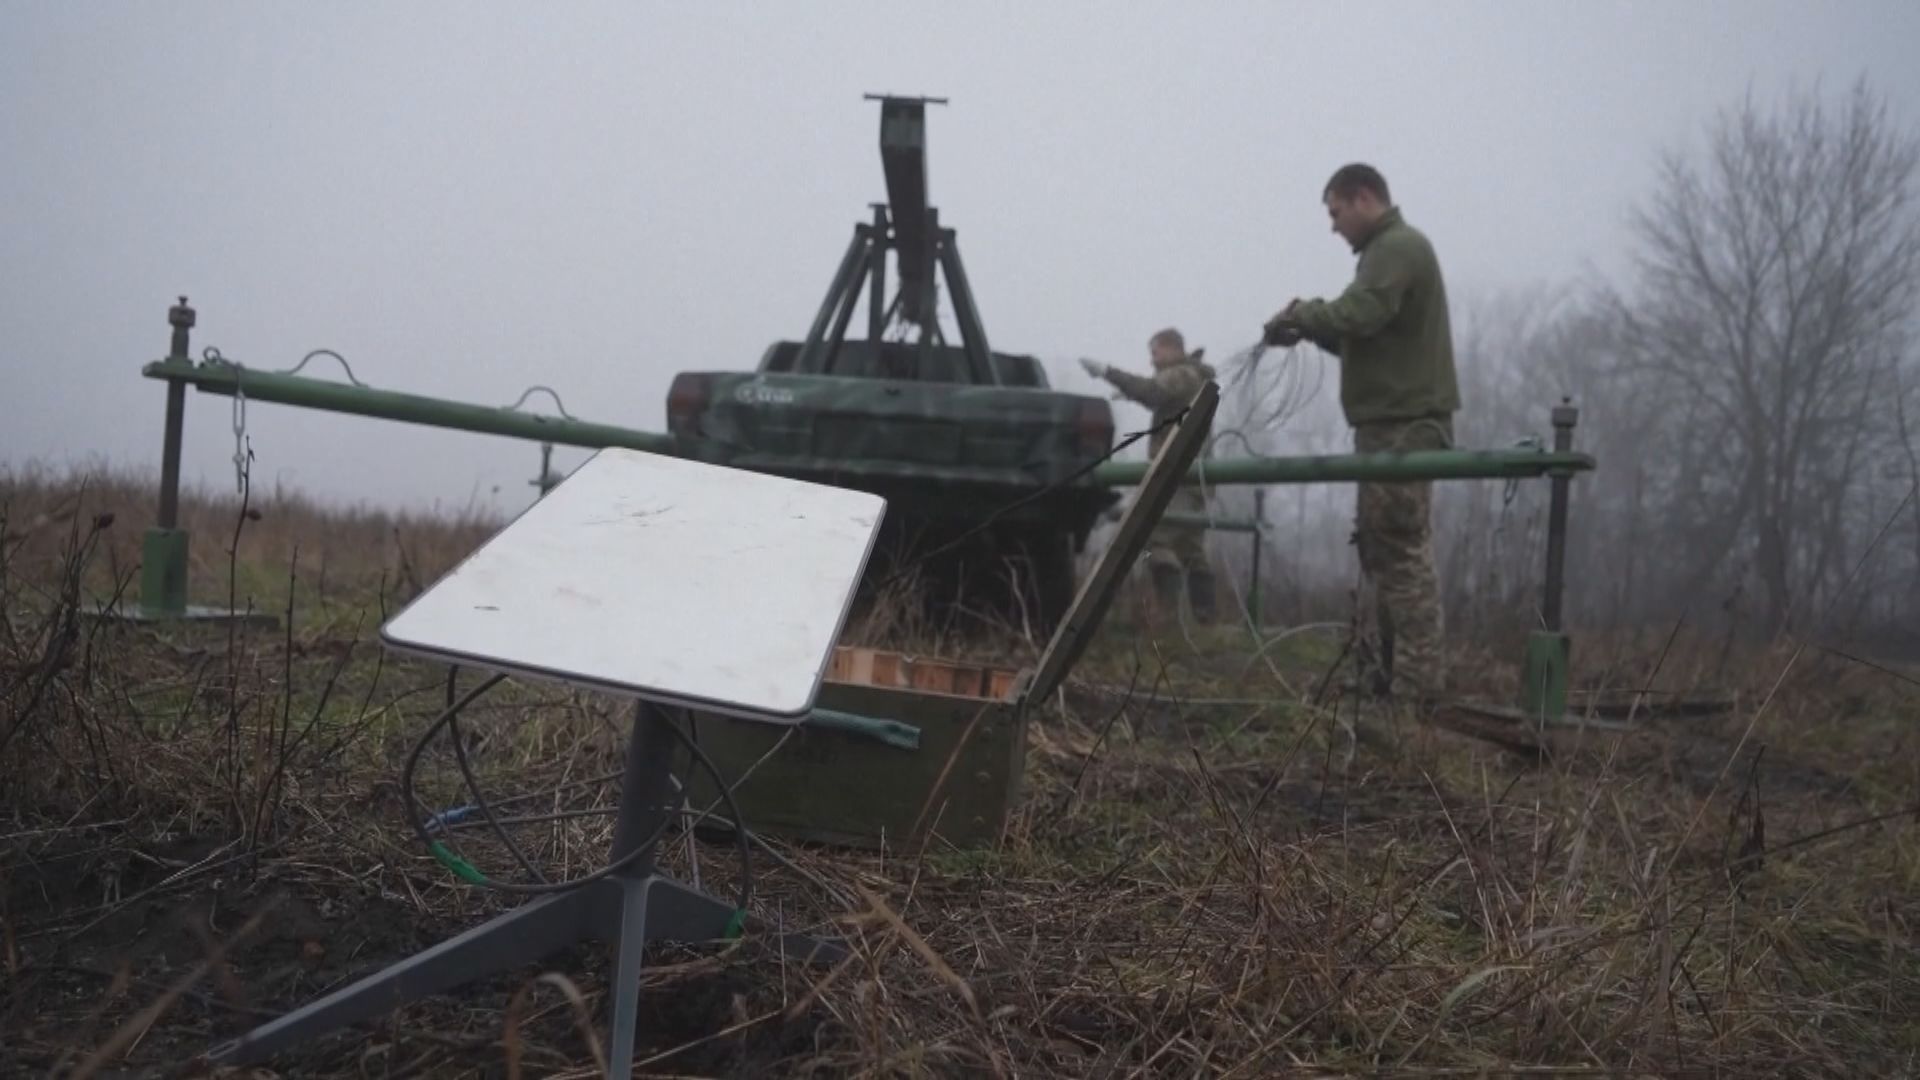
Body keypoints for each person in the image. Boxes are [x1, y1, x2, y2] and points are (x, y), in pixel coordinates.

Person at [1265, 163, 1460, 706]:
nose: (1333, 227)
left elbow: (1361, 313)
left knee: (1400, 553)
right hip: (1386, 426)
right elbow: (1364, 334)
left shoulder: (1396, 248)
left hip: (1405, 427)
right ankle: (1393, 677)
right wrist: (1309, 329)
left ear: (1364, 198)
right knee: (1382, 551)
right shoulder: (1387, 252)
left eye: (1336, 213)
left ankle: (1416, 688)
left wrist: (1304, 314)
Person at [1080, 328, 1219, 626]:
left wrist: (1107, 372)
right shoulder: (1194, 377)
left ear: (1172, 349)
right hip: (1194, 479)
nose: (1152, 361)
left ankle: (1167, 614)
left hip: (1178, 476)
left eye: (1155, 353)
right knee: (1190, 546)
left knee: (1152, 534)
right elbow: (1159, 396)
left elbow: (1152, 392)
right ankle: (1205, 620)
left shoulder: (1183, 374)